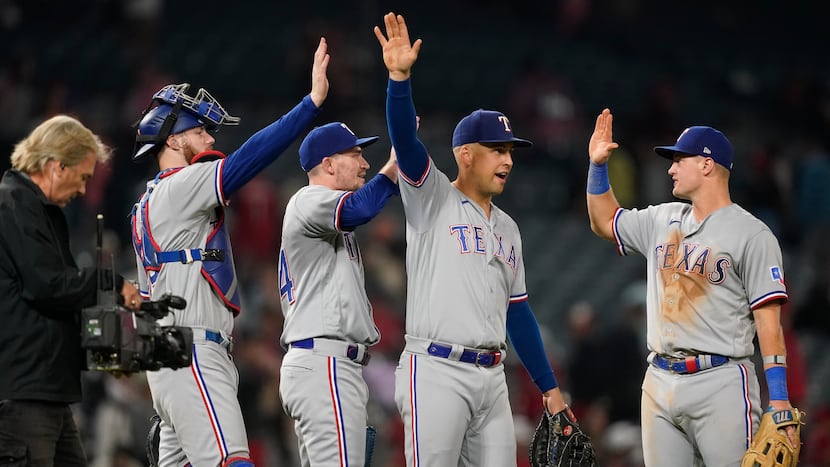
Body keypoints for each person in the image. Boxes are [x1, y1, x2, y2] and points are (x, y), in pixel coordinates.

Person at [374, 13, 574, 466]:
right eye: (496, 150)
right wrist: (399, 79)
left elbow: (518, 312)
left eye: (510, 151)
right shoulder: (432, 196)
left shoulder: (508, 227)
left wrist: (549, 387)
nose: (507, 159)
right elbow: (405, 141)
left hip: (493, 377)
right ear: (465, 154)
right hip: (436, 369)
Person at [129, 38, 330, 466]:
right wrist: (309, 105)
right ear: (171, 138)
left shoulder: (145, 204)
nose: (208, 137)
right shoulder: (180, 186)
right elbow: (248, 160)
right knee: (232, 461)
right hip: (193, 350)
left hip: (169, 354)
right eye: (199, 130)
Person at [586, 108, 796, 465]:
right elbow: (604, 221)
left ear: (706, 165)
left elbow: (769, 323)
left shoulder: (752, 234)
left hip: (721, 381)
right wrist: (597, 166)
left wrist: (778, 398)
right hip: (659, 378)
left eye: (678, 160)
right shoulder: (662, 218)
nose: (670, 168)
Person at [0, 115, 141, 466]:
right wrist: (109, 282)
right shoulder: (13, 206)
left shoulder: (38, 211)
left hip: (48, 392)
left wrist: (103, 358)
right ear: (56, 165)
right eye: (83, 177)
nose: (82, 190)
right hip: (23, 395)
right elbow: (46, 287)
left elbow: (53, 305)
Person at [277, 121, 399, 466]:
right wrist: (393, 168)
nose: (365, 163)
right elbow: (360, 209)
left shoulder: (324, 216)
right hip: (325, 363)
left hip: (326, 363)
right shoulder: (310, 199)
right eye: (356, 154)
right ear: (328, 164)